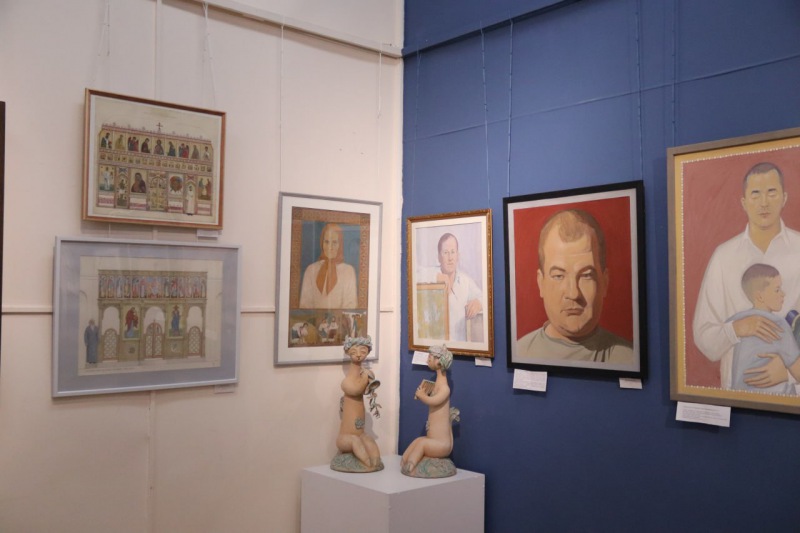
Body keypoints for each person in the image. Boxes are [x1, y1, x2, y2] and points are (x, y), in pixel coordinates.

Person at [693, 162, 800, 389]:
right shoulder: (723, 256)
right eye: (755, 194)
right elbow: (704, 336)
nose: (764, 202)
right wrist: (736, 329)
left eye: (772, 192)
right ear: (744, 202)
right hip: (736, 395)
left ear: (784, 198)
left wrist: (789, 372)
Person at [516, 209, 633, 363]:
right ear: (541, 283)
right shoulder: (521, 352)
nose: (573, 293)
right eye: (558, 276)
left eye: (586, 275)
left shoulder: (628, 358)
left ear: (604, 282)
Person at [728, 264, 800, 394]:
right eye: (777, 290)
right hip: (776, 398)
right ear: (760, 296)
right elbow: (798, 372)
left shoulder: (736, 320)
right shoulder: (779, 324)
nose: (783, 294)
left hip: (740, 396)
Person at [401, 344, 459, 478]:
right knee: (418, 440)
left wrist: (423, 396)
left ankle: (411, 466)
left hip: (442, 445)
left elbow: (434, 401)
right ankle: (404, 461)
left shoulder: (444, 388)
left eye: (430, 357)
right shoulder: (437, 384)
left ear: (439, 362)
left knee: (422, 444)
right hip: (433, 439)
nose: (428, 359)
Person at [416, 233, 483, 342]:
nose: (450, 258)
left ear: (458, 256)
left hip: (459, 346)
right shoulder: (431, 273)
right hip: (435, 344)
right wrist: (435, 277)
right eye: (446, 253)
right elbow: (412, 275)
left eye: (453, 252)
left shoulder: (465, 281)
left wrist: (479, 303)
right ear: (439, 257)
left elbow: (485, 297)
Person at [332, 336, 383, 472]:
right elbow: (357, 390)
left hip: (360, 434)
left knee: (368, 440)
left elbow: (364, 389)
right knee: (355, 442)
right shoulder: (347, 383)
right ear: (348, 352)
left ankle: (375, 463)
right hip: (345, 439)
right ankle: (367, 463)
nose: (359, 355)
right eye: (354, 352)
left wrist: (369, 378)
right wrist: (366, 376)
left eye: (363, 351)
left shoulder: (362, 375)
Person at [299, 223, 357, 309]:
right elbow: (305, 306)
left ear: (340, 244)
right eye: (326, 242)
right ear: (321, 243)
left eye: (334, 242)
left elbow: (350, 306)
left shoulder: (348, 271)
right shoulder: (311, 270)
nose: (330, 247)